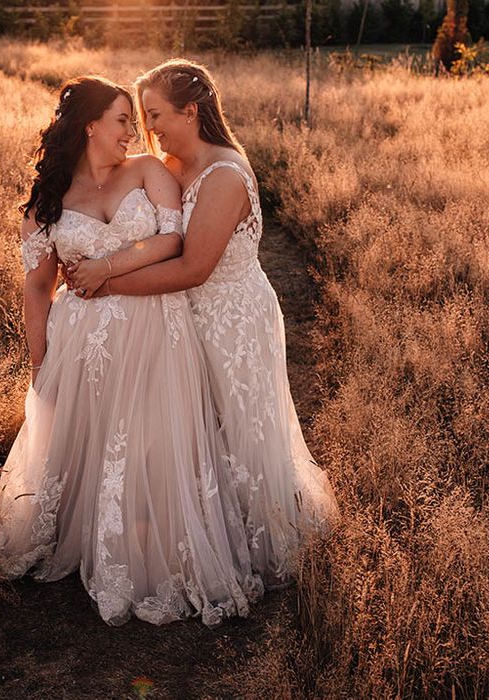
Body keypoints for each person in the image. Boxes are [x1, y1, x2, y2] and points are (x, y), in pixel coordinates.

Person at [0, 75, 263, 628]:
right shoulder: (48, 200)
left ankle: (154, 547)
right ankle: (91, 538)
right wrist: (40, 365)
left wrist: (107, 270)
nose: (135, 131)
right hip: (81, 343)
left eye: (140, 117)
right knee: (89, 441)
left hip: (152, 325)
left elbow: (173, 242)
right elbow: (37, 290)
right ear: (91, 125)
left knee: (150, 438)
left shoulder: (147, 170)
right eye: (123, 119)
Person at [67, 61, 340, 589]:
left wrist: (106, 279)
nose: (149, 129)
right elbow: (149, 237)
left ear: (191, 111)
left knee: (239, 425)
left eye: (156, 114)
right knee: (195, 427)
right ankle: (199, 530)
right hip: (180, 315)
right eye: (143, 117)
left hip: (231, 317)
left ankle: (260, 538)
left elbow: (194, 267)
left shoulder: (224, 174)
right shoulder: (168, 165)